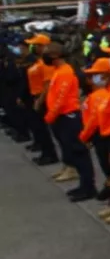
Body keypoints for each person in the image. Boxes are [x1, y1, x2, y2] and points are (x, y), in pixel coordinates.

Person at [41, 43, 96, 201]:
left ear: (56, 55)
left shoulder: (65, 72)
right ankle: (83, 185)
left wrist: (50, 116)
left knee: (79, 152)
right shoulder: (58, 71)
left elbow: (61, 98)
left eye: (48, 52)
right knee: (72, 152)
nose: (45, 55)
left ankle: (88, 187)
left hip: (68, 117)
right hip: (61, 117)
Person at [79, 57, 110, 218]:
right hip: (107, 138)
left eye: (97, 74)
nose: (93, 78)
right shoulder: (107, 93)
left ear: (107, 75)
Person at [23, 34, 58, 166]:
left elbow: (48, 84)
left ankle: (50, 154)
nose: (33, 47)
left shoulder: (46, 64)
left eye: (36, 45)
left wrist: (39, 100)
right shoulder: (39, 61)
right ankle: (45, 152)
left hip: (41, 98)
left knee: (42, 128)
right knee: (38, 128)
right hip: (35, 96)